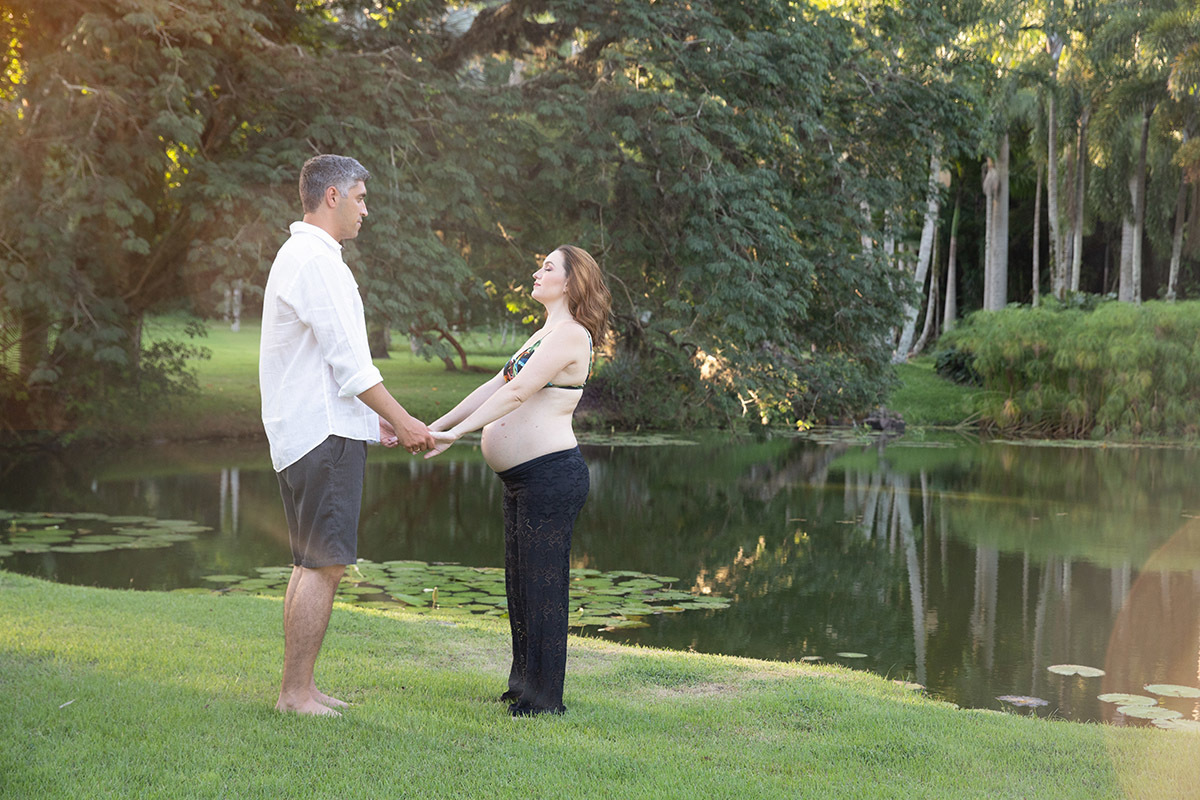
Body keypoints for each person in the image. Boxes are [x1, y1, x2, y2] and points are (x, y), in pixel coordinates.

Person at [259, 154, 436, 716]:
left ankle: (300, 688)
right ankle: (294, 695)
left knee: (309, 563)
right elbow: (351, 365)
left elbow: (326, 366)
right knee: (325, 566)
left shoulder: (301, 256)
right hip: (322, 440)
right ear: (331, 197)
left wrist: (373, 419)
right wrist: (406, 421)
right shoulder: (317, 263)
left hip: (308, 433)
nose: (366, 209)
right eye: (360, 197)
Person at [424, 245, 611, 716]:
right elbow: (495, 384)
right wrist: (439, 429)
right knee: (520, 583)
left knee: (543, 588)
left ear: (569, 283)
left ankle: (544, 701)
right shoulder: (543, 334)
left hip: (551, 477)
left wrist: (457, 434)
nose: (537, 272)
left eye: (548, 267)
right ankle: (523, 686)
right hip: (524, 479)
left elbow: (520, 392)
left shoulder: (571, 335)